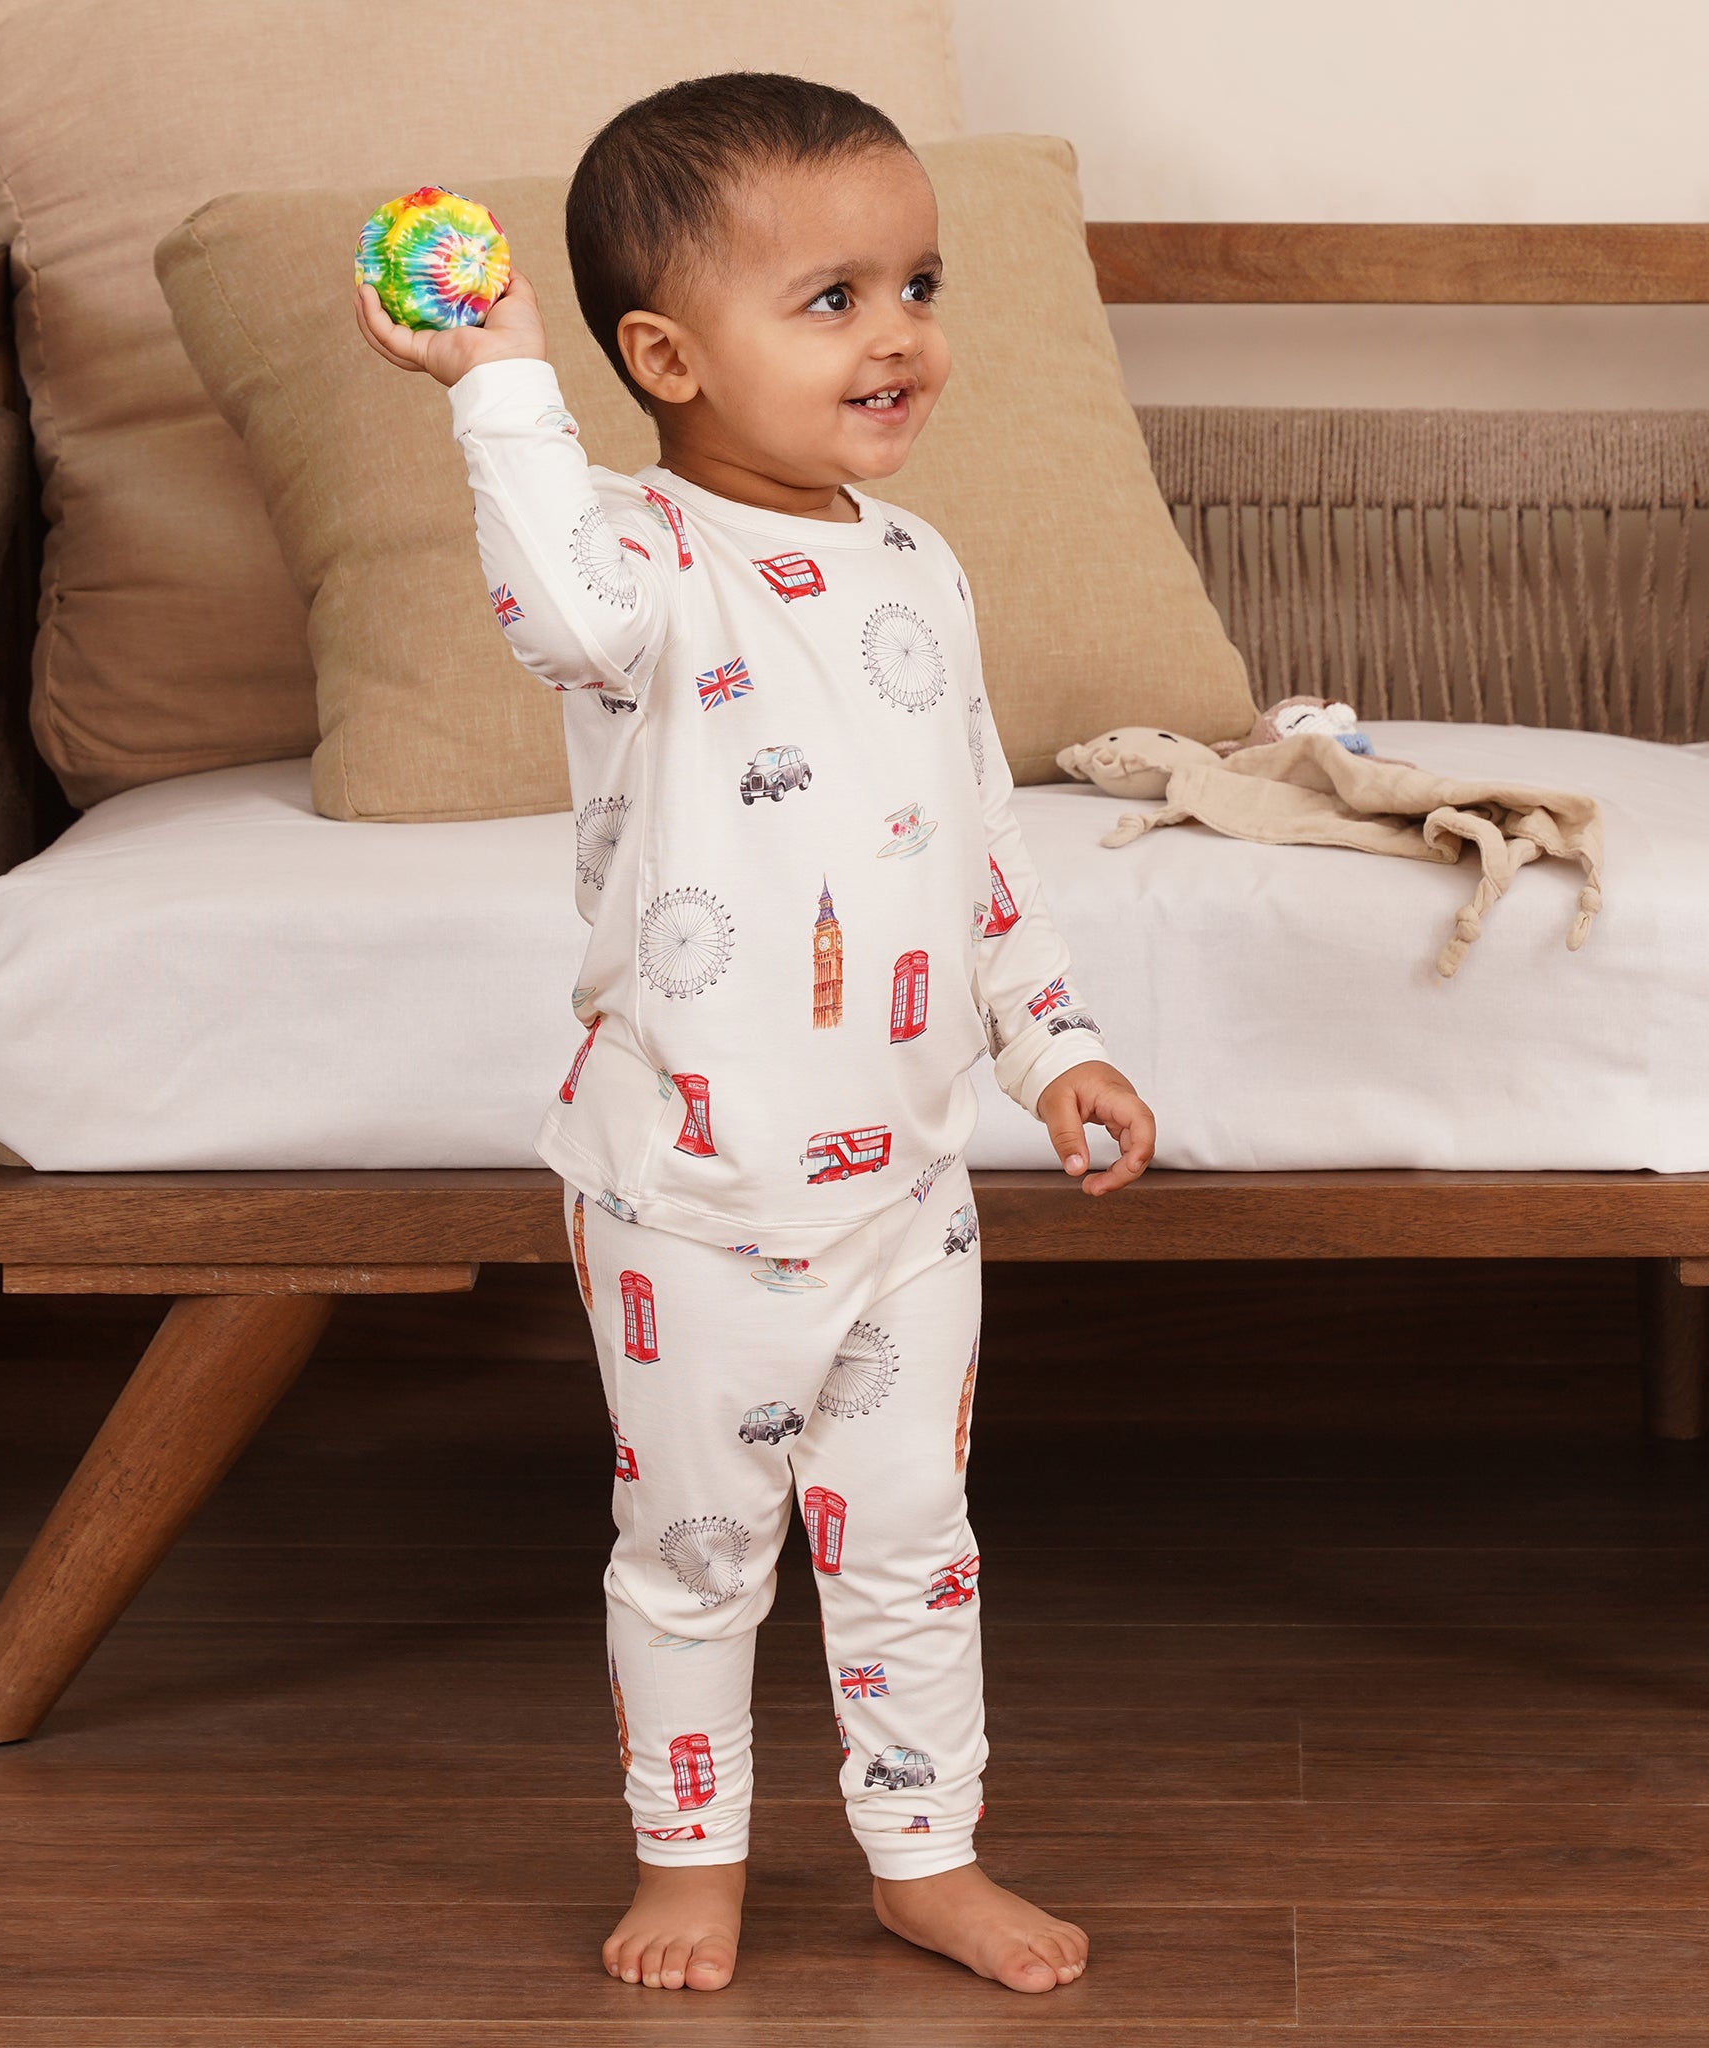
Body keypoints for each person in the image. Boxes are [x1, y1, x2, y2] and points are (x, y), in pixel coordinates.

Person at [356, 70, 1155, 1997]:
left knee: (915, 1543)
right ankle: (691, 1855)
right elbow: (545, 595)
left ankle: (922, 1848)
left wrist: (1050, 1043)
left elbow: (974, 839)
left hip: (910, 1188)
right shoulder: (638, 565)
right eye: (828, 299)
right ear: (666, 355)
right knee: (701, 1555)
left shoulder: (918, 563)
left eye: (917, 284)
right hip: (691, 1202)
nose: (896, 334)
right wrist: (495, 380)